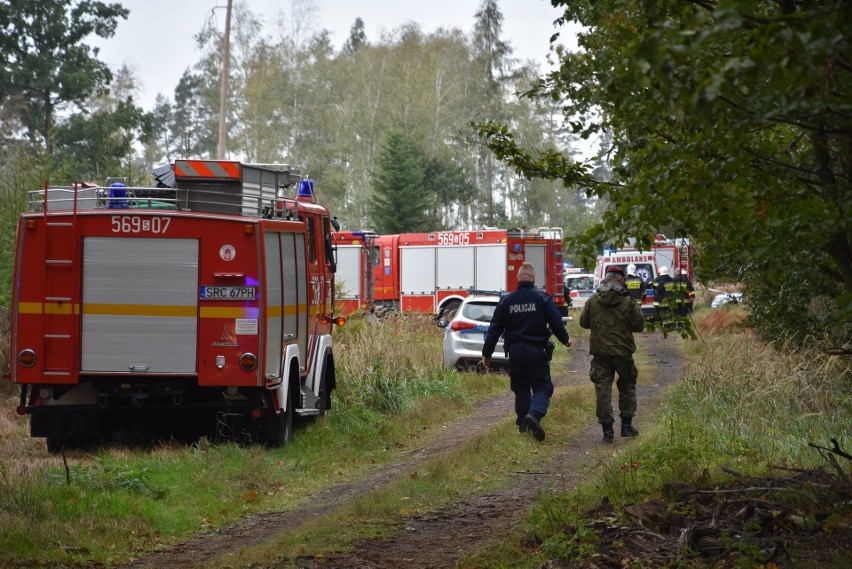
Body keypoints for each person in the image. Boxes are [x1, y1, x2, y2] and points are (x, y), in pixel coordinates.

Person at [481, 262, 570, 441]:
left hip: (515, 353)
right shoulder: (542, 299)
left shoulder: (507, 301)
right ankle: (534, 415)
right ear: (534, 279)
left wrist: (487, 355)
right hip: (536, 352)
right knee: (543, 387)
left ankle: (523, 425)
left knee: (521, 389)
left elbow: (494, 330)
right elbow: (556, 322)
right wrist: (566, 340)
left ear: (517, 279)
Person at [579, 266, 646, 444]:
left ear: (606, 279)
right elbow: (639, 324)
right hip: (623, 352)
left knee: (603, 389)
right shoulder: (628, 301)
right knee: (627, 385)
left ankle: (607, 432)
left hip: (600, 352)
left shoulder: (593, 300)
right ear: (622, 280)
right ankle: (626, 426)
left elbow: (583, 322)